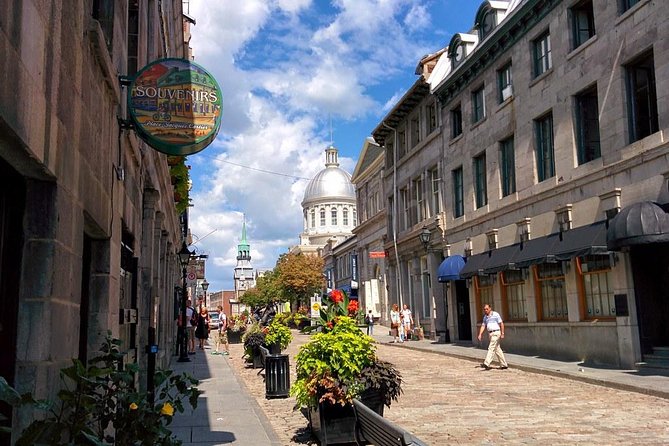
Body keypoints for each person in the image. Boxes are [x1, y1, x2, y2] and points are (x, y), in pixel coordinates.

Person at [477, 303, 509, 370]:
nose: (485, 310)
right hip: (490, 334)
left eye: (487, 309)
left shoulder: (496, 314)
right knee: (497, 349)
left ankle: (486, 363)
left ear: (490, 308)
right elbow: (483, 326)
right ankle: (504, 364)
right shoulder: (485, 317)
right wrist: (480, 334)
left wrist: (502, 333)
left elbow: (501, 323)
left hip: (496, 332)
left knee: (491, 347)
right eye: (484, 309)